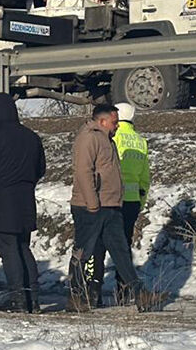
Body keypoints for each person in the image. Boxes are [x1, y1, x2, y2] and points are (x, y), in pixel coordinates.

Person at [68, 104, 160, 311]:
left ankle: (139, 293)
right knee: (84, 251)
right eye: (114, 122)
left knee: (120, 251)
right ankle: (76, 296)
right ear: (102, 121)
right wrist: (92, 203)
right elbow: (83, 171)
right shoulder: (89, 138)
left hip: (110, 205)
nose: (117, 126)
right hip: (91, 206)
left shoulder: (108, 140)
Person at [0, 93, 46, 313]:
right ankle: (33, 298)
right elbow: (40, 169)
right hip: (25, 200)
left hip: (1, 201)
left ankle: (18, 300)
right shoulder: (31, 136)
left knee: (8, 250)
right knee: (24, 247)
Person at [91, 102, 150, 303]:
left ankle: (94, 291)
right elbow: (145, 178)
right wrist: (140, 201)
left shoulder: (110, 136)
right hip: (132, 201)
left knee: (99, 245)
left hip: (110, 199)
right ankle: (123, 292)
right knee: (123, 247)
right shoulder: (140, 141)